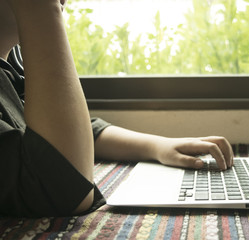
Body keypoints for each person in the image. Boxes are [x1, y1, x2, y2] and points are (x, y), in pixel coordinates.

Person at [0, 0, 234, 217]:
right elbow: (63, 190)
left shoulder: (13, 65)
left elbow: (71, 133)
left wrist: (158, 146)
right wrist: (40, 10)